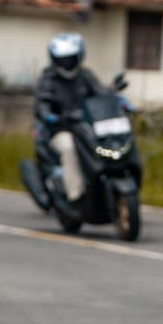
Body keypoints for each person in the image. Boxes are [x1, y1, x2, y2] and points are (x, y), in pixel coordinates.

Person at [33, 32, 106, 210]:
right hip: (60, 130)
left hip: (85, 127)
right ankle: (75, 196)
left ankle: (102, 185)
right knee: (69, 147)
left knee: (105, 145)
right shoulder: (49, 79)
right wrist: (49, 115)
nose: (66, 63)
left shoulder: (85, 76)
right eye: (62, 59)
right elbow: (41, 102)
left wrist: (116, 100)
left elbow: (102, 95)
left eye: (70, 58)